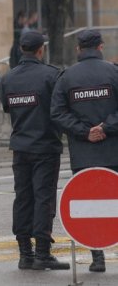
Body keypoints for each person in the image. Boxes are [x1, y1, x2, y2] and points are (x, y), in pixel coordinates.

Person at [0, 31, 70, 271]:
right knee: (43, 198)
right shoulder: (51, 75)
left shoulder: (8, 78)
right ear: (41, 50)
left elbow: (8, 108)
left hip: (20, 147)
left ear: (21, 49)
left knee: (23, 198)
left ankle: (24, 254)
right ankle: (42, 253)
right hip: (45, 147)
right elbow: (59, 108)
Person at [51, 29, 118, 273]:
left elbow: (57, 113)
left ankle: (97, 257)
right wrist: (106, 127)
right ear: (100, 47)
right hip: (113, 152)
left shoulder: (67, 77)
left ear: (78, 49)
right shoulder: (114, 72)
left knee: (90, 206)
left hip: (83, 153)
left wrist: (84, 131)